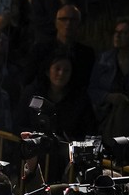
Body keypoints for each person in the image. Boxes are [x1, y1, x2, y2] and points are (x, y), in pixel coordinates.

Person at [16, 52, 98, 183]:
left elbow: (89, 128)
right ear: (48, 71)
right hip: (36, 157)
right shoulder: (32, 92)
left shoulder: (80, 98)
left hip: (68, 162)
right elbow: (20, 122)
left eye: (66, 70)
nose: (61, 74)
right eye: (57, 69)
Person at [22, 4, 95, 93]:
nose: (68, 23)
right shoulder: (40, 50)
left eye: (73, 20)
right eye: (63, 19)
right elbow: (28, 80)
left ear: (79, 24)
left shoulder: (87, 53)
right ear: (56, 23)